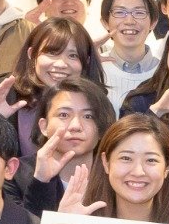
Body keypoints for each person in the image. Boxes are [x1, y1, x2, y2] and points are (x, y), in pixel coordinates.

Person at [0, 16, 104, 150]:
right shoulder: (8, 92)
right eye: (52, 53)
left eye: (72, 55)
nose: (61, 64)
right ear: (32, 54)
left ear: (86, 61)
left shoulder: (96, 101)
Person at [19, 78, 117, 213]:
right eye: (64, 115)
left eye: (88, 116)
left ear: (102, 129)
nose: (75, 126)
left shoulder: (116, 175)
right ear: (44, 126)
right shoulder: (16, 175)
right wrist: (41, 181)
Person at [98, 0, 162, 107]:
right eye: (120, 12)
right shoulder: (93, 69)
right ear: (105, 22)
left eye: (139, 13)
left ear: (153, 22)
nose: (129, 21)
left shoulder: (166, 71)